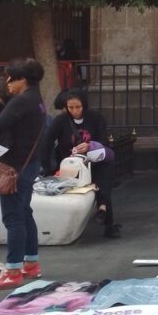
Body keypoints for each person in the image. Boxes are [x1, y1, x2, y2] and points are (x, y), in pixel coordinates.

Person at [0, 57, 47, 291]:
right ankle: (31, 264)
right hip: (30, 163)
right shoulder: (38, 101)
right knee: (24, 212)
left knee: (13, 217)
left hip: (13, 167)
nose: (7, 83)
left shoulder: (20, 102)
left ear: (22, 80)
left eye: (10, 78)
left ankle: (13, 271)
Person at [44, 89, 120, 238]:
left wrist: (90, 145)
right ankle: (102, 209)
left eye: (78, 107)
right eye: (70, 108)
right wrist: (48, 167)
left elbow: (103, 141)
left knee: (103, 175)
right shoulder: (61, 121)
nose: (74, 111)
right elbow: (47, 142)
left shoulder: (96, 118)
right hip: (71, 163)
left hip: (94, 159)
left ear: (84, 105)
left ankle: (106, 218)